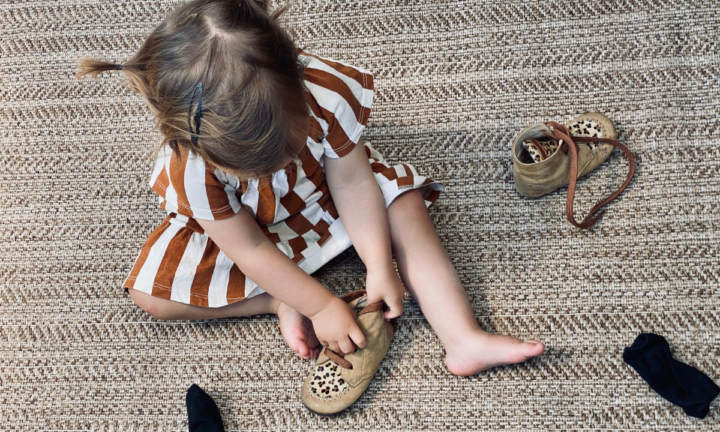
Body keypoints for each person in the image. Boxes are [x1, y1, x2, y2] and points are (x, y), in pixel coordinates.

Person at [75, 0, 544, 375]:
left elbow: (354, 178)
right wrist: (315, 304)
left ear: (299, 78)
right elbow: (251, 249)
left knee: (403, 202)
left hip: (328, 194)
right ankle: (279, 299)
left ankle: (461, 336)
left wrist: (380, 264)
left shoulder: (325, 90)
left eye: (290, 144)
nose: (280, 164)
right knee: (151, 294)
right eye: (254, 166)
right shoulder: (190, 170)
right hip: (251, 230)